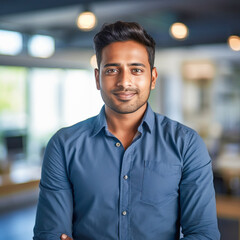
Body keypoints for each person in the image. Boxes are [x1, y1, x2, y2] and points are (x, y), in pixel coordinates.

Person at [33, 21, 220, 240]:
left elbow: (203, 235)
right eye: (112, 70)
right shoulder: (64, 145)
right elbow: (50, 235)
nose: (124, 81)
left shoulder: (186, 144)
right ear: (97, 78)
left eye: (136, 70)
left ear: (152, 78)